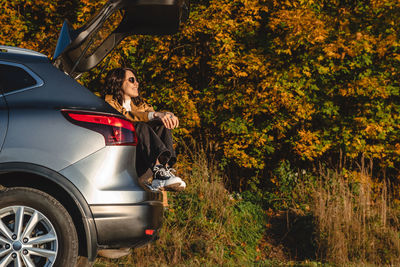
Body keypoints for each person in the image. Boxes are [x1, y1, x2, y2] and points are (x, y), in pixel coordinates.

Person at [102, 67, 186, 192]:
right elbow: (126, 116)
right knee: (139, 126)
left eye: (136, 80)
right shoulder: (108, 102)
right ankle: (159, 172)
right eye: (131, 80)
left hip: (144, 162)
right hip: (123, 162)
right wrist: (156, 115)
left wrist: (167, 114)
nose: (137, 83)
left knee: (161, 124)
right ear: (118, 82)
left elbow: (154, 114)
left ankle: (163, 171)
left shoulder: (140, 105)